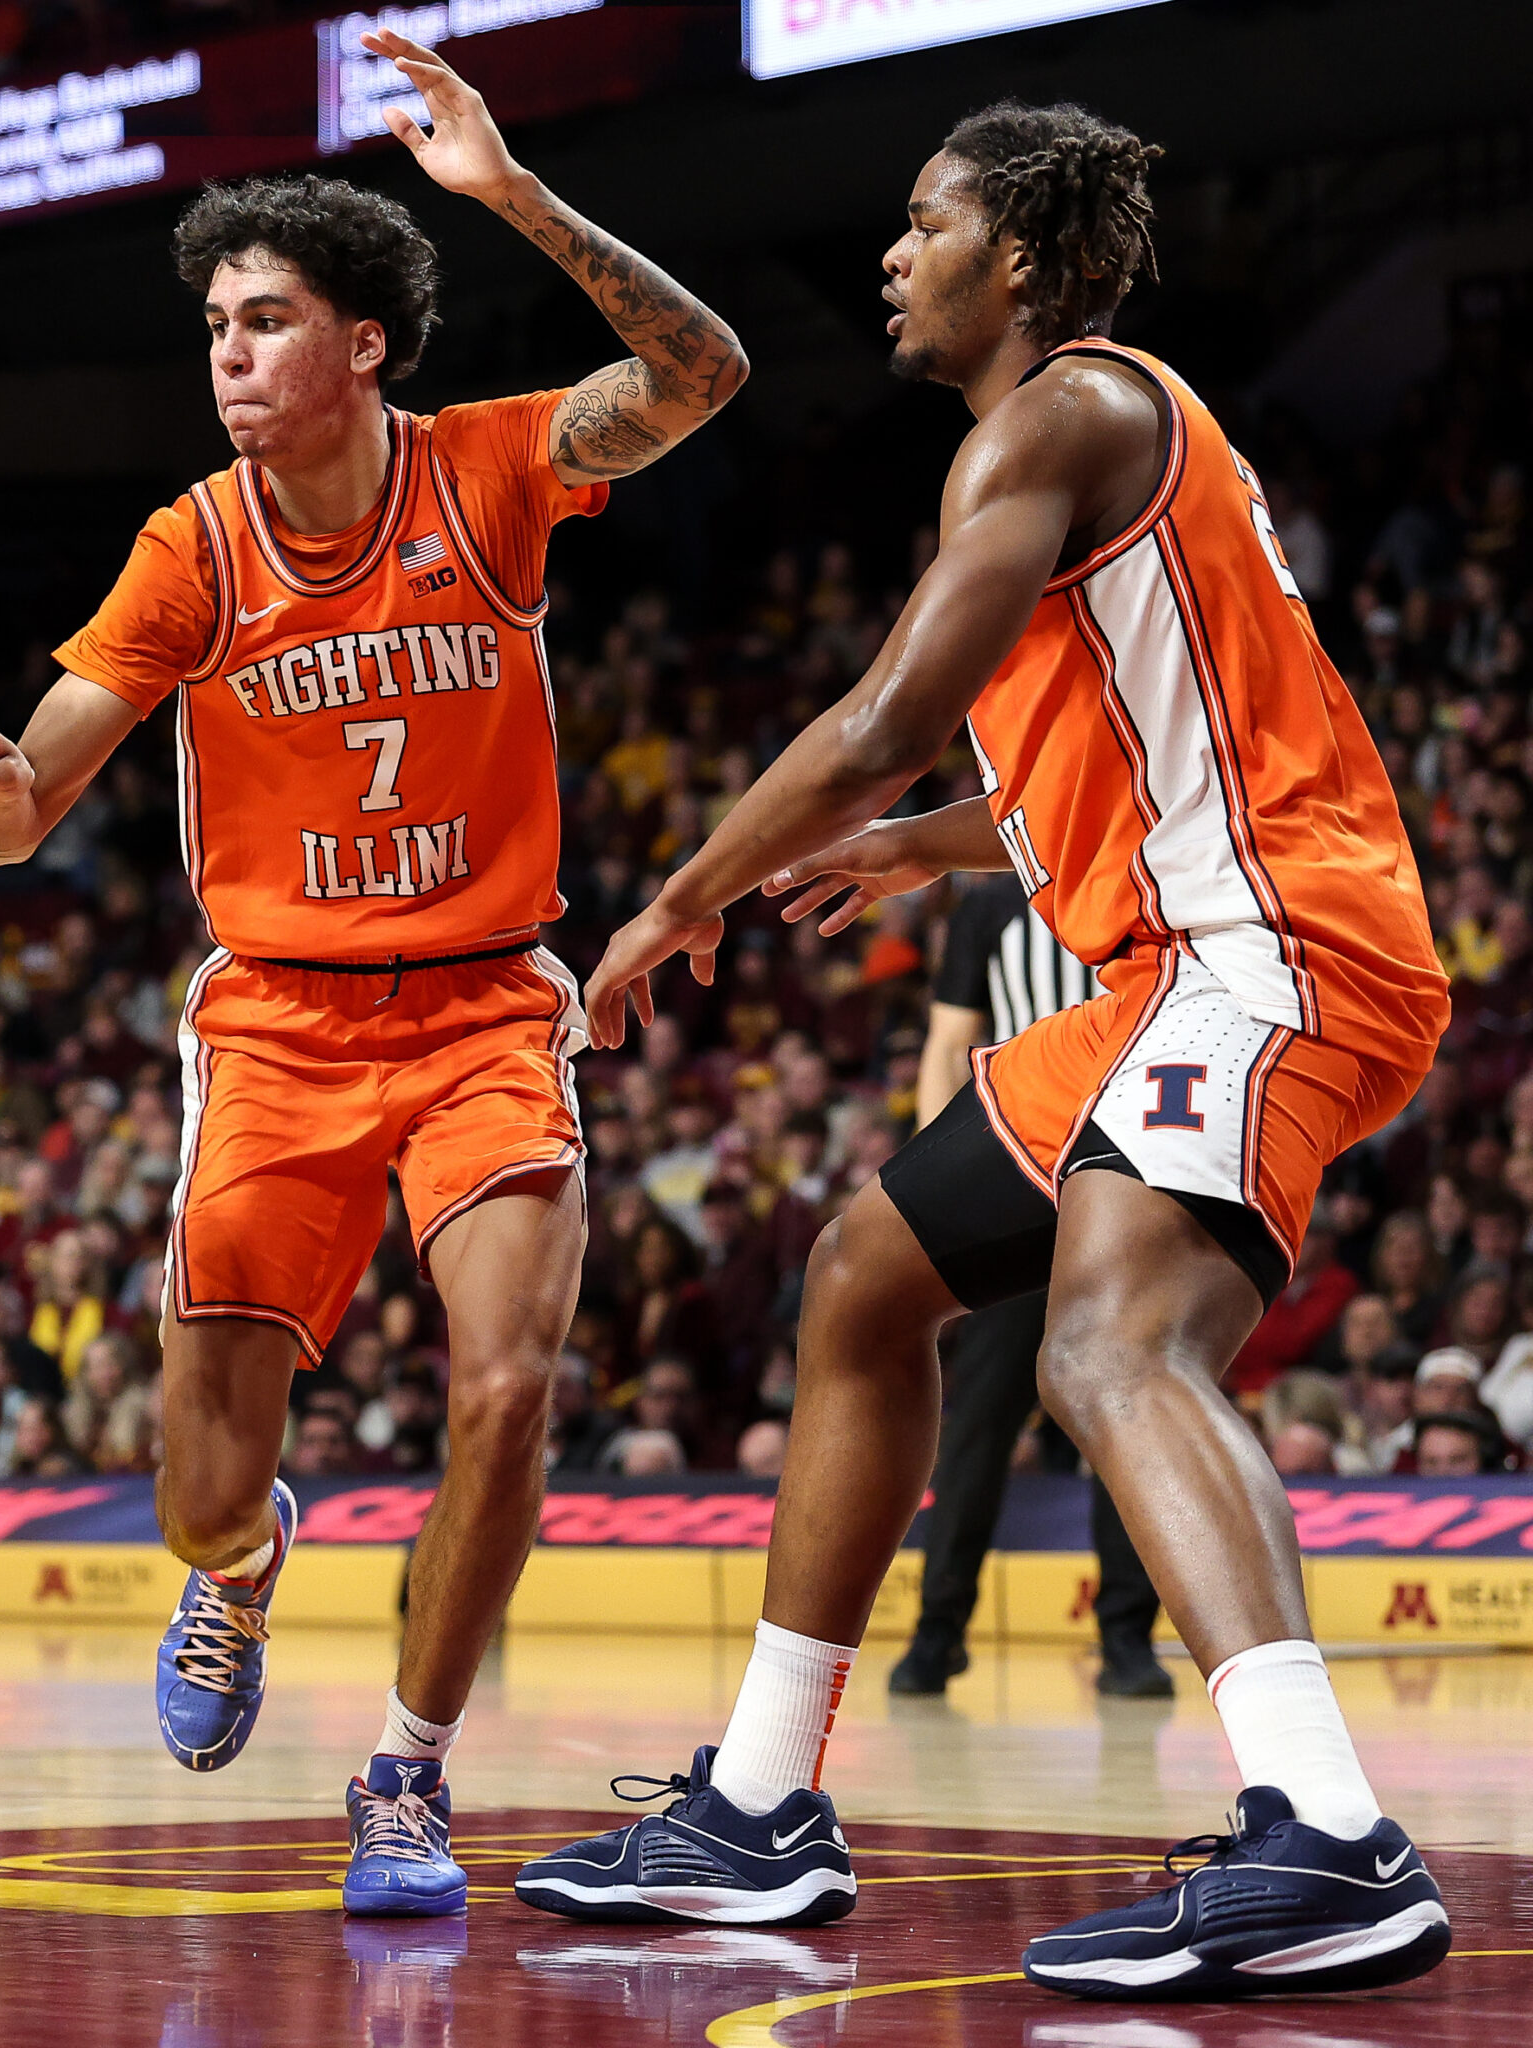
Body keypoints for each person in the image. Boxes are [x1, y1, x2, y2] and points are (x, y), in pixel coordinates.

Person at [517, 102, 1452, 2001]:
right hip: (1163, 967)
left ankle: (1329, 1832)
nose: (892, 252)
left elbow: (876, 717)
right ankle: (760, 1807)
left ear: (1015, 259)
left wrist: (683, 894)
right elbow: (1065, 766)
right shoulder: (1072, 470)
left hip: (1268, 950)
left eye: (925, 222)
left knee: (1117, 1340)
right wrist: (913, 845)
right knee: (865, 1280)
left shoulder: (1070, 416)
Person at [0, 31, 743, 1919]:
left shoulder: (495, 472)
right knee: (201, 1483)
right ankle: (240, 1560)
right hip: (277, 1023)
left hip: (481, 1004)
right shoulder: (189, 542)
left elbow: (704, 373)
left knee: (509, 1387)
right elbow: (40, 792)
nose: (228, 355)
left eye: (268, 320)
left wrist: (515, 196)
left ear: (365, 342)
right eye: (213, 325)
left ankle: (409, 1776)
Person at [889, 874, 1170, 1699]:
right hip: (1020, 1172)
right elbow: (948, 1044)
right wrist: (937, 1178)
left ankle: (1126, 1637)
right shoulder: (989, 904)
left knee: (1125, 1410)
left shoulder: (1149, 885)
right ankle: (938, 1631)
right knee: (978, 1424)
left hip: (1129, 1176)